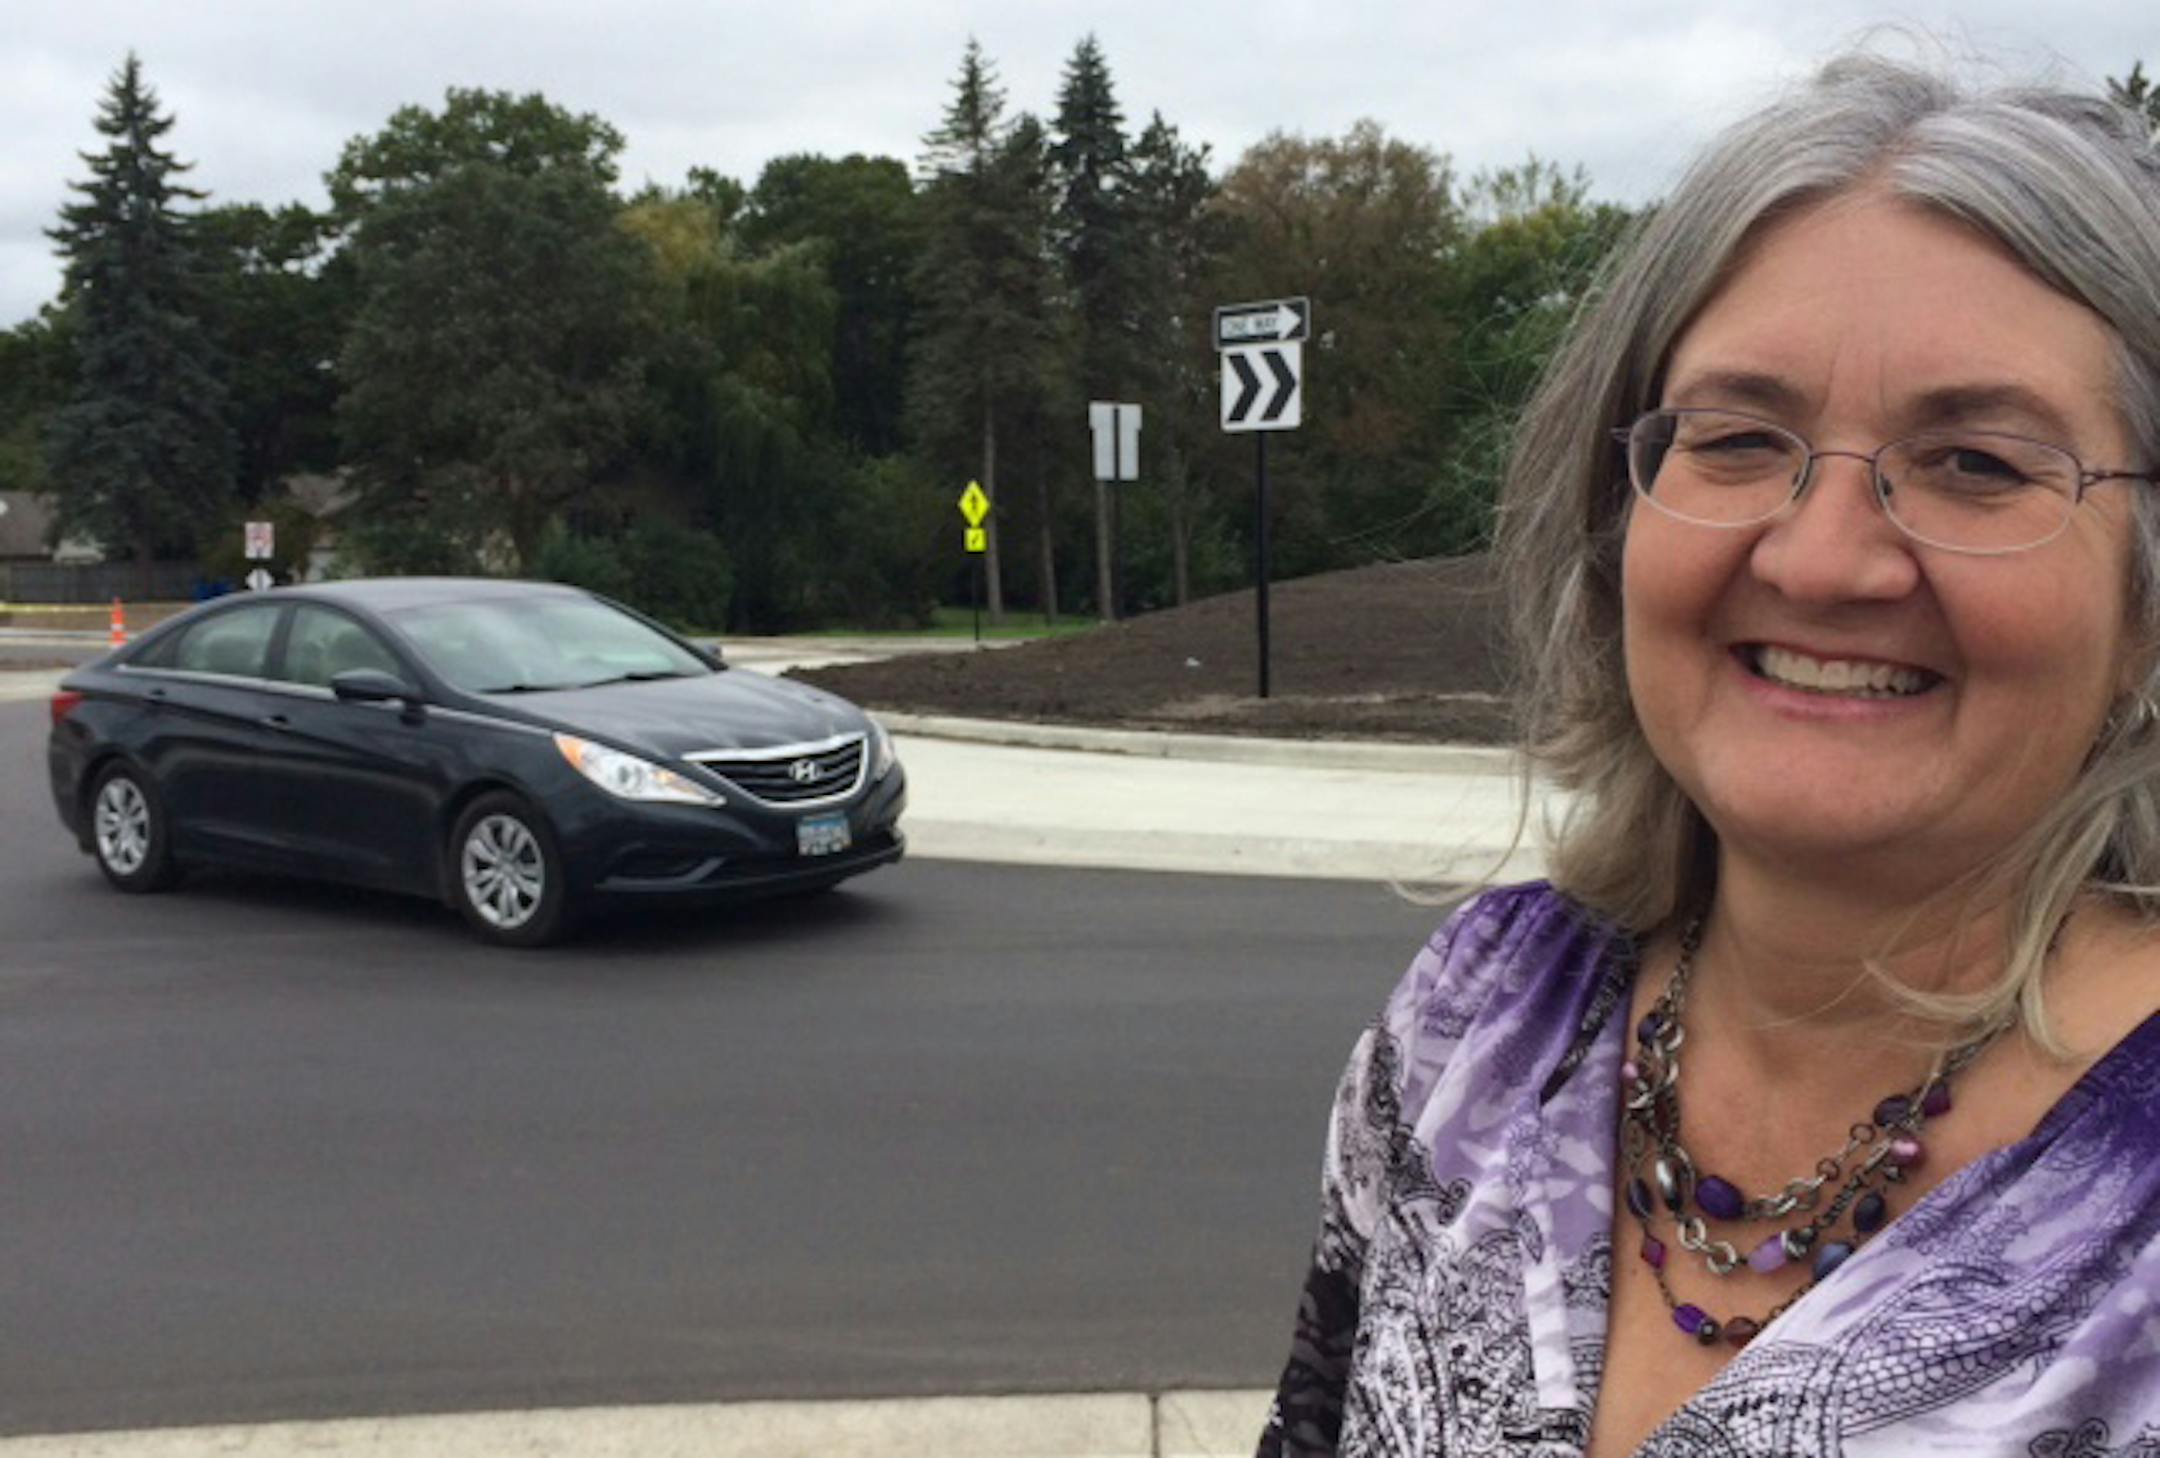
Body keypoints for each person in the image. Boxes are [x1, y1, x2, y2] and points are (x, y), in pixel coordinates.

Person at [1258, 54, 2160, 1457]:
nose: (1821, 556)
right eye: (1738, 438)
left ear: (2145, 608)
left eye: (1977, 462)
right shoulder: (1474, 1026)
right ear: (1618, 516)